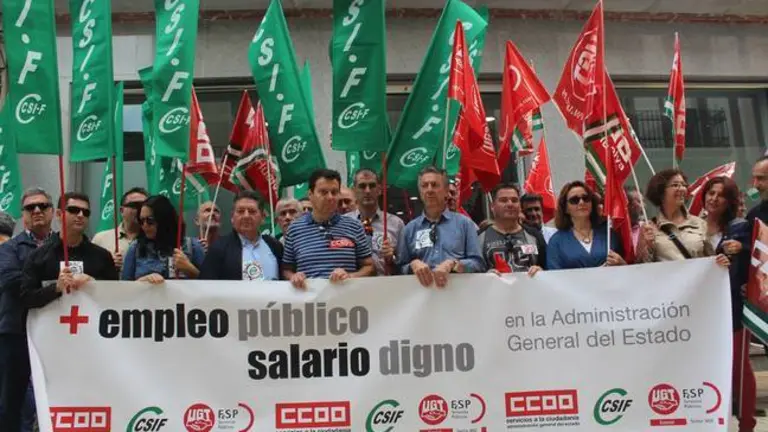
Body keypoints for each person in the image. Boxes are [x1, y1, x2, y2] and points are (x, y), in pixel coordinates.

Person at [700, 177, 756, 432]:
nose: (714, 198)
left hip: (733, 308)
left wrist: (742, 247)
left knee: (739, 367)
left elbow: (758, 253)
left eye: (720, 195)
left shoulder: (740, 227)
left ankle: (746, 424)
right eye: (710, 192)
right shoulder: (694, 226)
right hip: (701, 309)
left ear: (730, 201)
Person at [0, 188, 55, 431]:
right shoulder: (9, 248)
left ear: (52, 211)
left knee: (57, 395)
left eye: (42, 206)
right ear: (23, 215)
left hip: (57, 332)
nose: (37, 211)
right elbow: (11, 282)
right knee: (11, 401)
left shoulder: (64, 246)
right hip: (16, 332)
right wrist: (53, 286)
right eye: (30, 207)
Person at [282, 169, 375, 288]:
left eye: (334, 192)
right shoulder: (294, 229)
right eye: (324, 192)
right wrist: (293, 277)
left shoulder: (355, 226)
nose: (330, 197)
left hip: (347, 297)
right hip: (310, 298)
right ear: (310, 194)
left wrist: (350, 276)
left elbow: (369, 266)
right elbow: (286, 269)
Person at [396, 166, 485, 288]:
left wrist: (455, 264)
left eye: (434, 185)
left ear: (446, 190)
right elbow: (399, 269)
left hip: (458, 293)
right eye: (424, 185)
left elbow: (479, 265)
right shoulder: (409, 229)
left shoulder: (465, 224)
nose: (429, 190)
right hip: (421, 295)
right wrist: (412, 265)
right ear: (420, 191)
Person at [636, 169, 729, 266]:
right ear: (661, 192)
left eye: (683, 185)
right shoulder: (649, 228)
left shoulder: (700, 224)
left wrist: (721, 261)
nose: (681, 189)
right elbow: (641, 267)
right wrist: (647, 247)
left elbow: (712, 260)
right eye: (675, 185)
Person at [200, 191, 283, 281]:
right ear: (232, 217)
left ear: (263, 217)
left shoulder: (275, 246)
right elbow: (206, 284)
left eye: (252, 211)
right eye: (240, 211)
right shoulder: (219, 248)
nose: (246, 216)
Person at [121, 195, 205, 283]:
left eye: (150, 220)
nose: (144, 225)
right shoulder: (135, 248)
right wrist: (142, 281)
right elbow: (124, 287)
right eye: (141, 221)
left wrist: (190, 269)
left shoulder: (192, 246)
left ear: (163, 219)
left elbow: (210, 284)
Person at [547, 181, 625, 270]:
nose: (581, 202)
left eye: (586, 198)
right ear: (565, 208)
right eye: (574, 200)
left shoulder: (609, 235)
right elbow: (553, 274)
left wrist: (622, 263)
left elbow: (626, 269)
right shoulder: (556, 242)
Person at [347, 168, 404, 275]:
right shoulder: (344, 222)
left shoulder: (396, 224)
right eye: (362, 186)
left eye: (372, 186)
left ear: (379, 189)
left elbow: (404, 263)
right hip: (353, 282)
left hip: (386, 282)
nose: (367, 191)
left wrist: (392, 258)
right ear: (354, 190)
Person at [480, 183, 546, 276]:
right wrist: (483, 276)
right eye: (503, 200)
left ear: (520, 206)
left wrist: (542, 271)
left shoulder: (535, 235)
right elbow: (472, 271)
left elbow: (549, 267)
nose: (510, 204)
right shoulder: (479, 237)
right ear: (492, 206)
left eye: (514, 200)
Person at [92, 187, 148, 271]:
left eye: (144, 205)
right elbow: (89, 269)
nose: (140, 209)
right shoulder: (101, 239)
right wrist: (107, 263)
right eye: (135, 205)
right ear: (122, 210)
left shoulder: (155, 239)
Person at [625, 187, 645, 253]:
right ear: (628, 205)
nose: (643, 206)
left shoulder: (646, 229)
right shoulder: (613, 229)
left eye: (643, 201)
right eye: (639, 201)